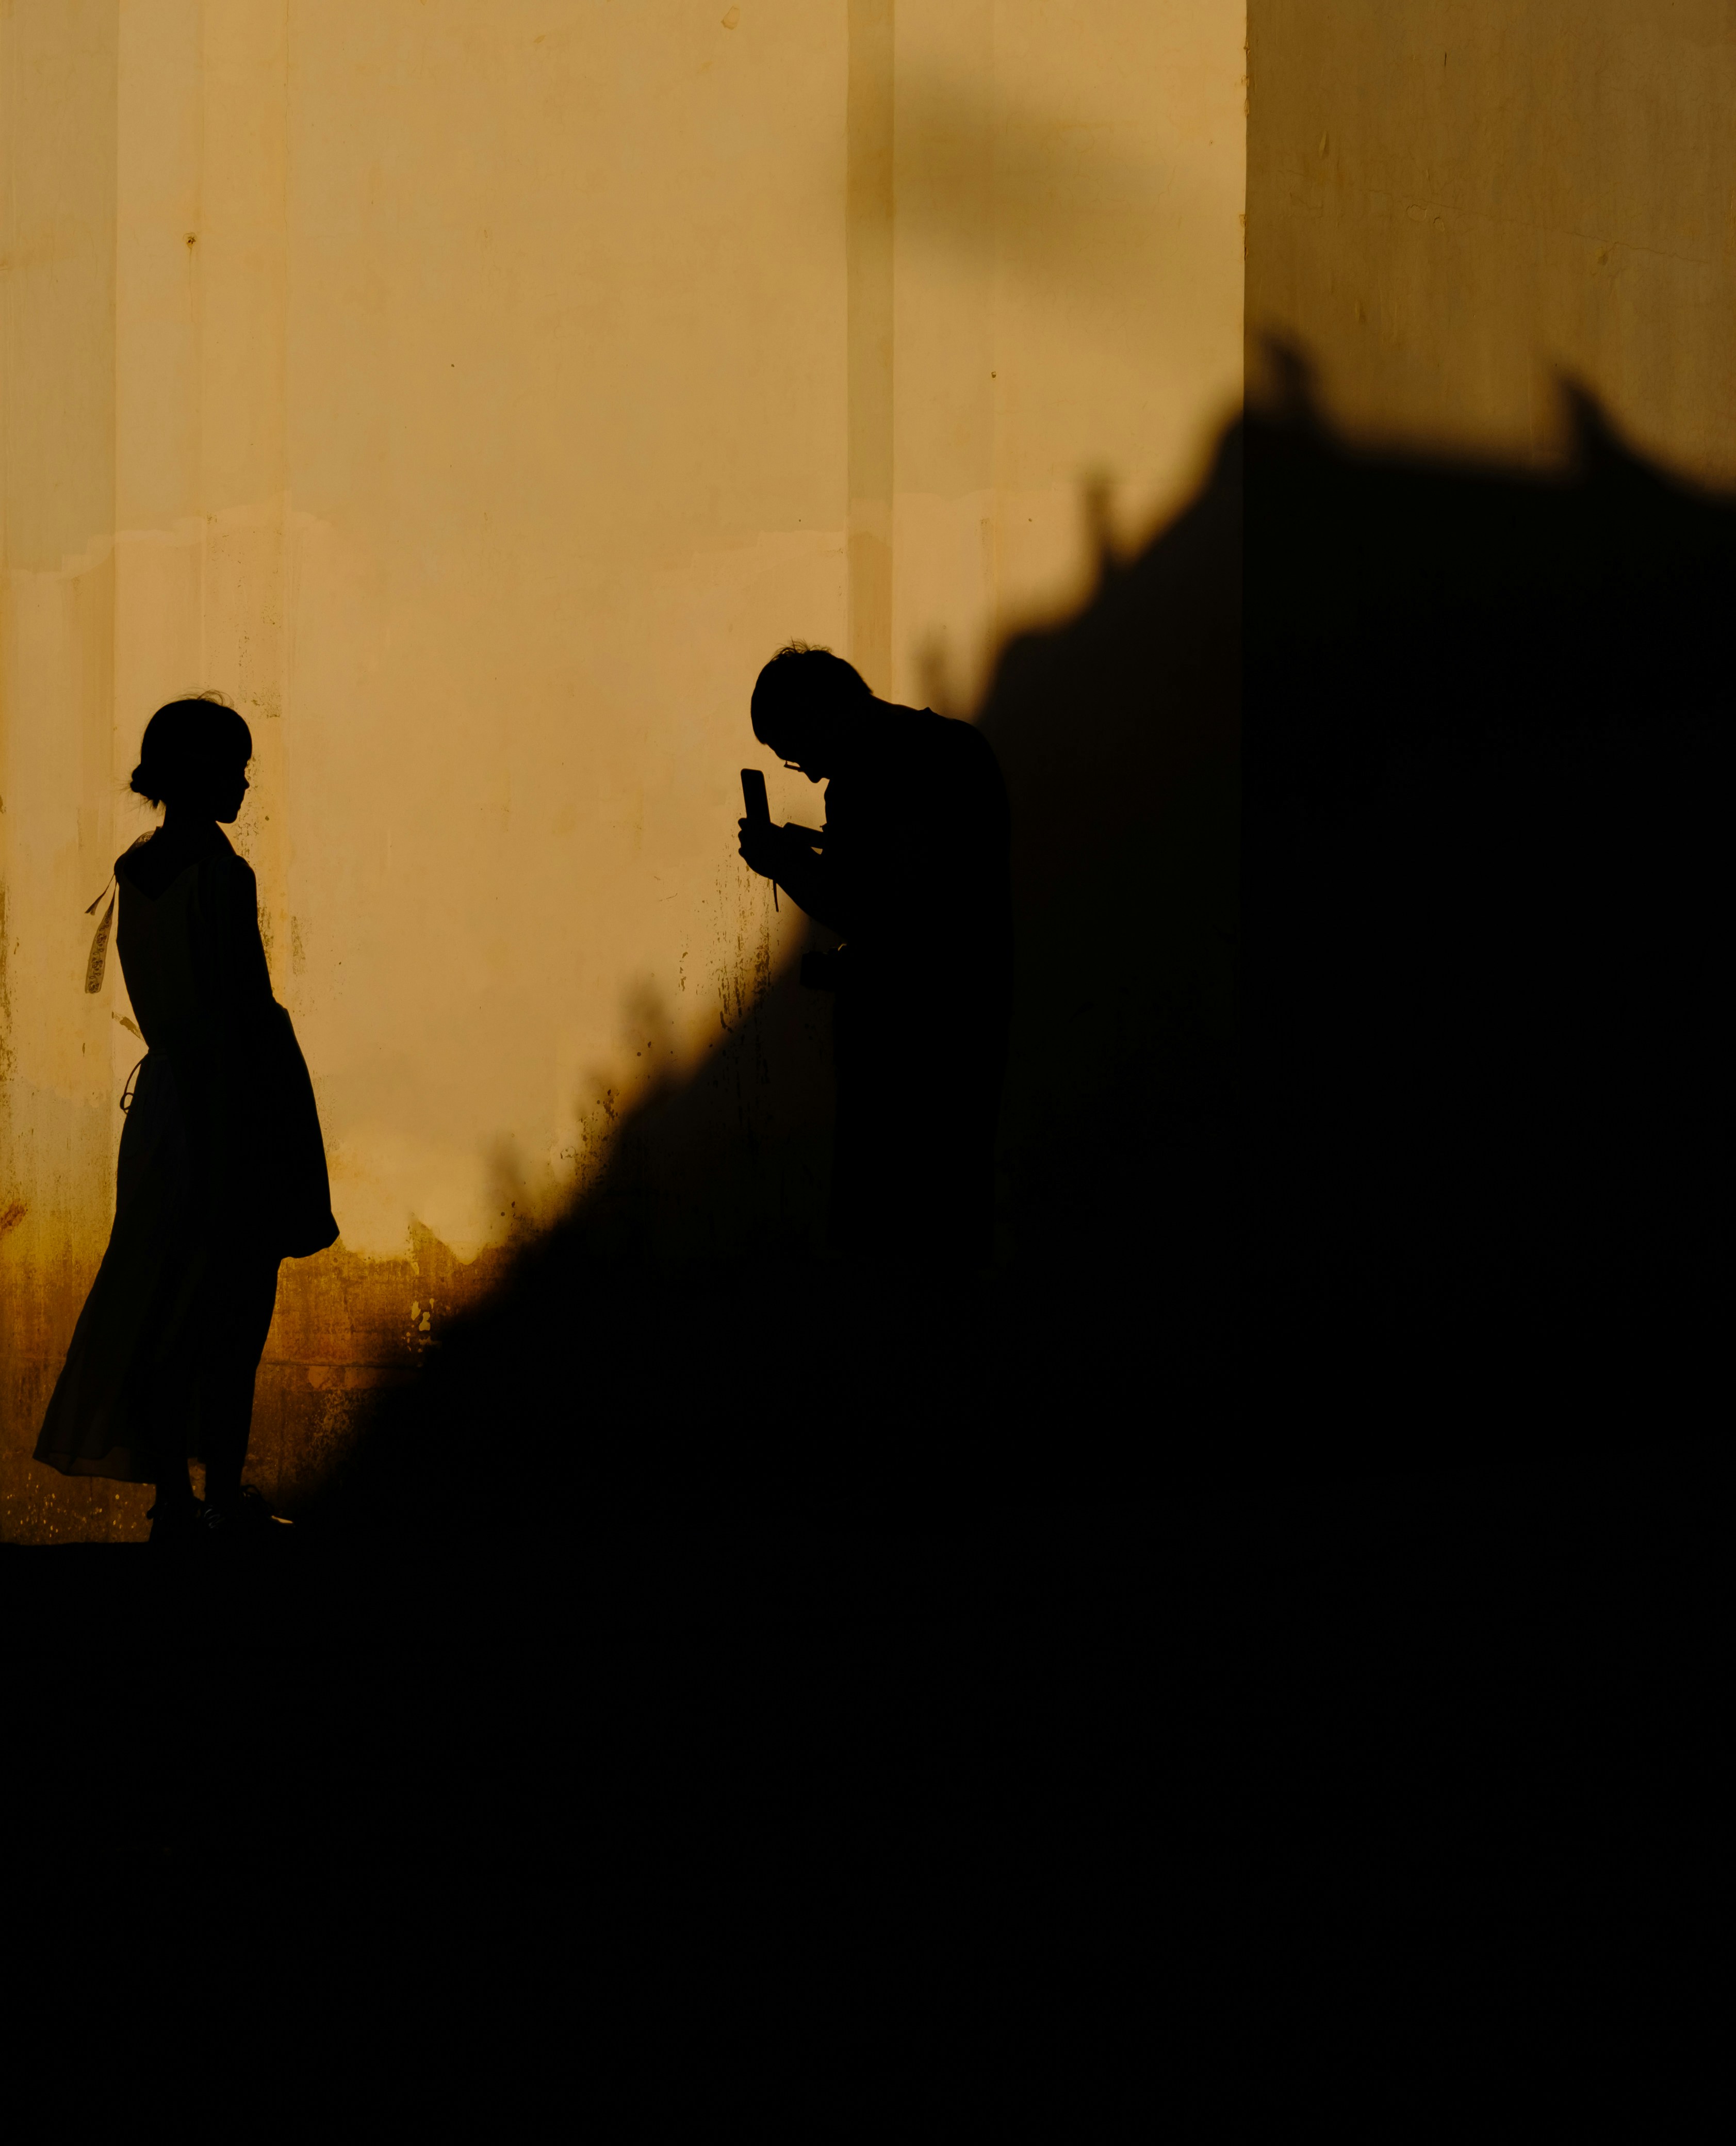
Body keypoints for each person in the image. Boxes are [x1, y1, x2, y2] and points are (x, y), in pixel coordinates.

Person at [34, 697, 338, 1542]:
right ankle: (224, 1495)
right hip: (230, 1100)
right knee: (233, 1311)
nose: (244, 781)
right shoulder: (221, 871)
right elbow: (246, 1007)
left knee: (165, 1300)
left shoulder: (137, 870)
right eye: (234, 765)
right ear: (203, 773)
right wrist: (272, 1125)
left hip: (168, 1109)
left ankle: (175, 1497)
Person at [737, 643, 1012, 1269]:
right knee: (956, 1210)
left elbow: (874, 911)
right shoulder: (958, 744)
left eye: (795, 749)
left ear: (817, 712)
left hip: (906, 1034)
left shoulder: (866, 776)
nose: (806, 773)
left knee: (894, 1230)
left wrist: (785, 864)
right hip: (977, 1011)